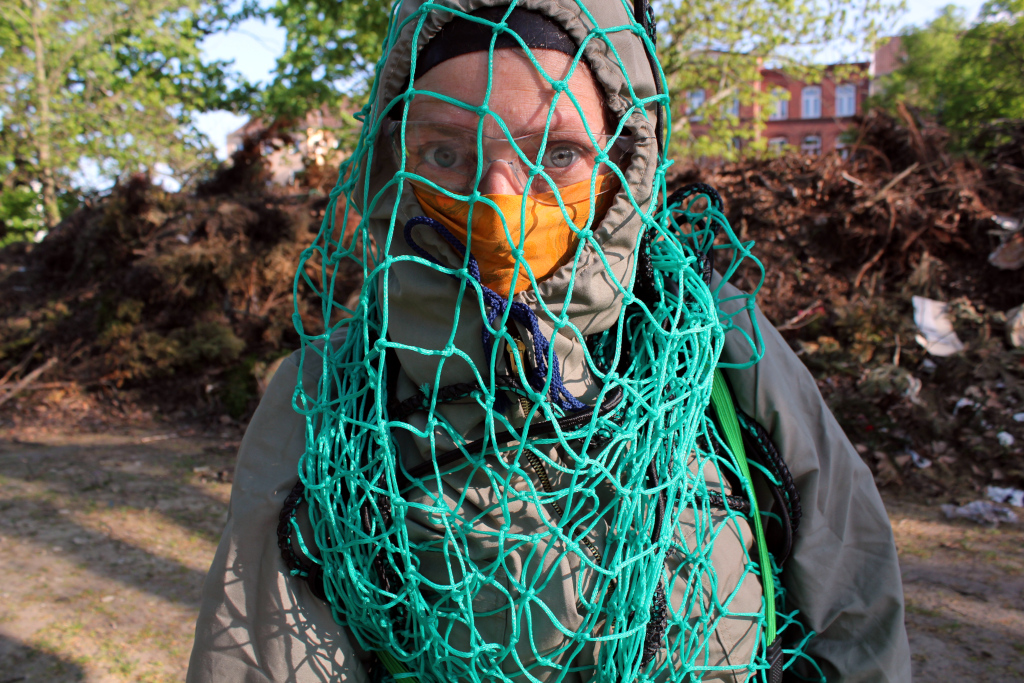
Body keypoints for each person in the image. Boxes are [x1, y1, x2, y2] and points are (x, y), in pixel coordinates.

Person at [186, 2, 911, 682]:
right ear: (394, 162)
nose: (500, 197)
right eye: (445, 155)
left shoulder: (722, 349)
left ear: (624, 157)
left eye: (559, 154)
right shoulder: (328, 398)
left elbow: (855, 608)